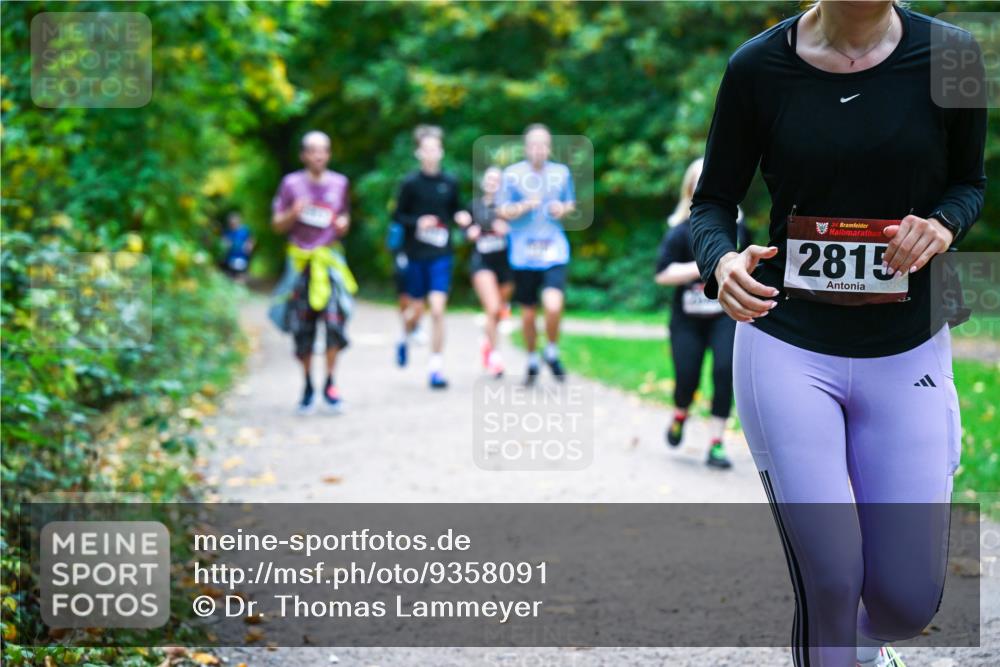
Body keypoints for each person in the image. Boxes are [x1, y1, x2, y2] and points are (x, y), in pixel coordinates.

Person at [689, 2, 985, 666]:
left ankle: (863, 644)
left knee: (907, 603)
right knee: (829, 577)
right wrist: (722, 260)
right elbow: (713, 202)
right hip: (786, 340)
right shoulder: (757, 66)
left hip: (906, 345)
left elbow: (969, 182)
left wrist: (942, 224)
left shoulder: (954, 56)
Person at [655, 158, 749, 470]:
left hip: (725, 315)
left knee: (724, 373)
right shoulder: (679, 232)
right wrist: (706, 265)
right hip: (687, 319)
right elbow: (662, 274)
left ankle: (716, 443)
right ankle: (681, 412)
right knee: (687, 377)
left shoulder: (737, 228)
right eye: (697, 179)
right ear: (689, 188)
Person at [270, 130, 357, 415]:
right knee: (302, 329)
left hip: (329, 262)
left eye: (324, 150)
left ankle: (330, 384)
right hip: (300, 264)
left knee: (335, 324)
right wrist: (293, 213)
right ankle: (307, 385)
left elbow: (344, 216)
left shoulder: (340, 183)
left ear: (329, 154)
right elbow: (277, 225)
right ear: (303, 155)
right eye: (313, 150)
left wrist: (343, 223)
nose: (319, 155)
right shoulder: (291, 184)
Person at [392, 125, 471, 389]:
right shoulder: (410, 183)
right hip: (415, 254)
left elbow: (457, 210)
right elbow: (397, 216)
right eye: (426, 149)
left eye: (435, 149)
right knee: (416, 309)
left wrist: (462, 218)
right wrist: (418, 222)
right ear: (418, 152)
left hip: (441, 253)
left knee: (437, 309)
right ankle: (404, 335)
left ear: (441, 151)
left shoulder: (450, 182)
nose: (431, 154)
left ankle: (436, 367)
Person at [497, 124, 576, 386]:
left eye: (543, 144)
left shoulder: (561, 173)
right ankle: (532, 357)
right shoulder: (512, 175)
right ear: (526, 147)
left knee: (553, 305)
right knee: (528, 313)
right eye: (534, 145)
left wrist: (561, 208)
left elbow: (570, 203)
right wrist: (523, 206)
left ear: (549, 147)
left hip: (554, 250)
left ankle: (551, 350)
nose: (539, 150)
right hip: (523, 253)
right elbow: (502, 211)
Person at [466, 166, 514, 378]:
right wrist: (470, 232)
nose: (493, 183)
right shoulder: (474, 206)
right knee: (493, 308)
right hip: (482, 263)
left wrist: (509, 230)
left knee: (500, 311)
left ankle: (487, 341)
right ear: (483, 183)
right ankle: (495, 357)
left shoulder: (510, 208)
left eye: (498, 180)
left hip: (506, 265)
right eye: (490, 179)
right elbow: (464, 230)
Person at [220, 211, 254, 282]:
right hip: (230, 258)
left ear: (239, 221)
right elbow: (223, 242)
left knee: (240, 276)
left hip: (242, 257)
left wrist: (249, 246)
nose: (233, 224)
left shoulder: (245, 230)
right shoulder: (227, 232)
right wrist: (225, 245)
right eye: (231, 222)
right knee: (231, 277)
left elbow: (251, 240)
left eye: (234, 222)